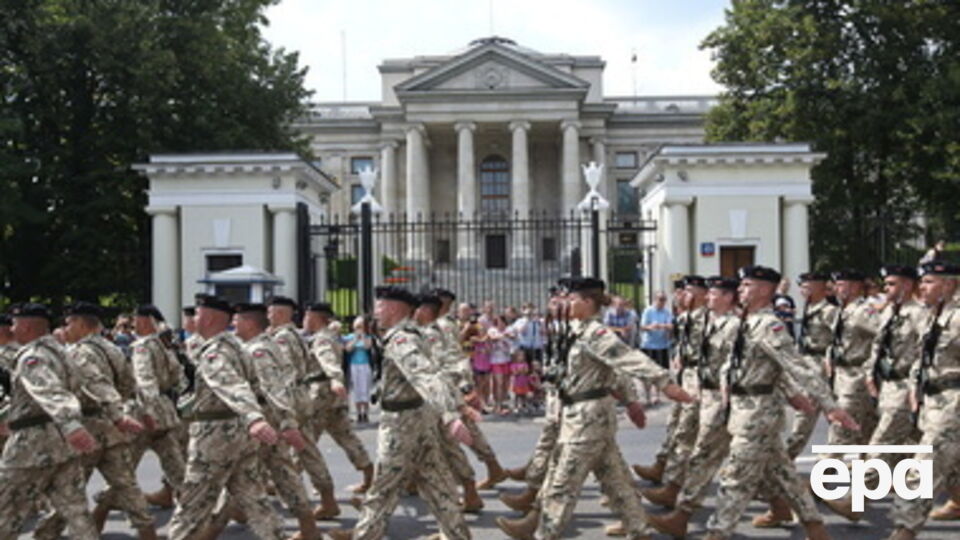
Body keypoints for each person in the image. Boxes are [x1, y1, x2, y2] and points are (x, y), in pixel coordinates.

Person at [498, 277, 694, 540]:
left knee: (562, 483)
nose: (567, 302)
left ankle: (544, 533)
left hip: (587, 419)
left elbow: (625, 359)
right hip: (579, 415)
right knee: (615, 481)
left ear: (588, 302)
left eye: (573, 299)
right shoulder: (576, 330)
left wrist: (664, 383)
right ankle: (639, 529)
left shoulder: (596, 333)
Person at [701, 266, 861, 540]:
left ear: (764, 290)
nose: (740, 290)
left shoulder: (769, 326)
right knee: (785, 475)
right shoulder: (746, 322)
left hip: (757, 414)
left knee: (735, 479)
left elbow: (797, 366)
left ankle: (717, 533)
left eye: (746, 285)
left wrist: (830, 405)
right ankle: (816, 529)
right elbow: (745, 364)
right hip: (743, 410)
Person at [327, 286, 473, 540]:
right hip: (419, 420)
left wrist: (450, 414)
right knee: (439, 488)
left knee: (382, 491)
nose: (375, 312)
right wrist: (454, 407)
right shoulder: (411, 333)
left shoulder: (401, 339)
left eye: (379, 306)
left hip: (401, 425)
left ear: (393, 308)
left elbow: (425, 375)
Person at [166, 294, 284, 540]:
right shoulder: (236, 346)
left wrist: (254, 417)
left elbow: (232, 385)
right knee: (255, 501)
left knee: (192, 505)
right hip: (239, 434)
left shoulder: (215, 353)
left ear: (208, 318)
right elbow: (259, 387)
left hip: (215, 435)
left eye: (197, 314)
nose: (193, 318)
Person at [33, 302, 153, 539]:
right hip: (112, 430)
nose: (66, 327)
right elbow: (128, 384)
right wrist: (117, 411)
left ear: (80, 323)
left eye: (69, 322)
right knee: (128, 489)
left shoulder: (80, 352)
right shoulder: (114, 348)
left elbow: (94, 383)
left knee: (69, 492)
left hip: (89, 429)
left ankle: (46, 534)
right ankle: (149, 533)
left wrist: (114, 413)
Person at [201, 302, 318, 540]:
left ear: (250, 323)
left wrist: (285, 422)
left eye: (237, 321)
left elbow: (273, 388)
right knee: (258, 475)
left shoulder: (258, 351)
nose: (233, 325)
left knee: (262, 474)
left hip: (265, 420)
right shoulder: (265, 345)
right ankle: (308, 529)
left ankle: (210, 530)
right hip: (266, 419)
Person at [647, 276, 741, 537]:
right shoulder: (710, 320)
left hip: (728, 400)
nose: (683, 295)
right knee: (767, 463)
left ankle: (682, 509)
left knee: (704, 453)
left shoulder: (734, 325)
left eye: (712, 292)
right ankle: (806, 519)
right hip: (704, 389)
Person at [0, 303, 100, 539]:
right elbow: (81, 390)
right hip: (63, 445)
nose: (12, 329)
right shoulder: (63, 353)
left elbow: (50, 391)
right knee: (77, 513)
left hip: (32, 445)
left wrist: (71, 425)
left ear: (25, 326)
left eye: (15, 324)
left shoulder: (31, 357)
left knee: (5, 508)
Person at [886, 261, 960, 540]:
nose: (922, 288)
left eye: (929, 282)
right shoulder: (933, 316)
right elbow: (924, 356)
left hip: (953, 404)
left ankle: (903, 532)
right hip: (932, 401)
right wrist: (915, 387)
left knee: (921, 468)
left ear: (949, 285)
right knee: (951, 467)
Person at [642, 275, 709, 508]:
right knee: (678, 429)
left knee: (689, 438)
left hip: (703, 385)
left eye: (687, 291)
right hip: (688, 379)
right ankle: (666, 475)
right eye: (681, 292)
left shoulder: (709, 319)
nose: (681, 296)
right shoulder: (686, 318)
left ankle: (673, 487)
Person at [304, 302, 375, 505]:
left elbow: (329, 362)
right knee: (345, 436)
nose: (305, 320)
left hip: (320, 393)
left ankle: (309, 488)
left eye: (307, 316)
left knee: (304, 441)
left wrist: (335, 378)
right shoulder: (331, 336)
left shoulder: (321, 340)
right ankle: (369, 474)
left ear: (316, 318)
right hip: (333, 395)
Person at [127, 304, 186, 510]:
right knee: (175, 467)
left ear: (144, 321)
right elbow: (178, 377)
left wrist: (148, 411)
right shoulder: (163, 345)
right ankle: (196, 506)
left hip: (147, 413)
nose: (132, 324)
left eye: (135, 319)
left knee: (123, 467)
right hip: (166, 409)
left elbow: (145, 381)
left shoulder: (142, 347)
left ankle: (107, 500)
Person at [640, 291, 673, 403]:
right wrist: (651, 327)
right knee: (647, 371)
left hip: (662, 345)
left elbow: (671, 325)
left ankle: (656, 395)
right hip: (648, 344)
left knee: (660, 372)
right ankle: (647, 395)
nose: (662, 302)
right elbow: (642, 326)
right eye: (660, 299)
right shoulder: (648, 311)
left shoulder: (667, 312)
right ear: (654, 300)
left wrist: (662, 326)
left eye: (664, 299)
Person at [344, 315, 374, 423]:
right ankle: (358, 413)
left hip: (365, 365)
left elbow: (367, 347)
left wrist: (363, 337)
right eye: (357, 327)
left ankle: (365, 413)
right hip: (354, 365)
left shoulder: (368, 337)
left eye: (361, 326)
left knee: (365, 389)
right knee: (357, 389)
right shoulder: (349, 337)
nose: (359, 329)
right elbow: (348, 349)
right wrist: (356, 338)